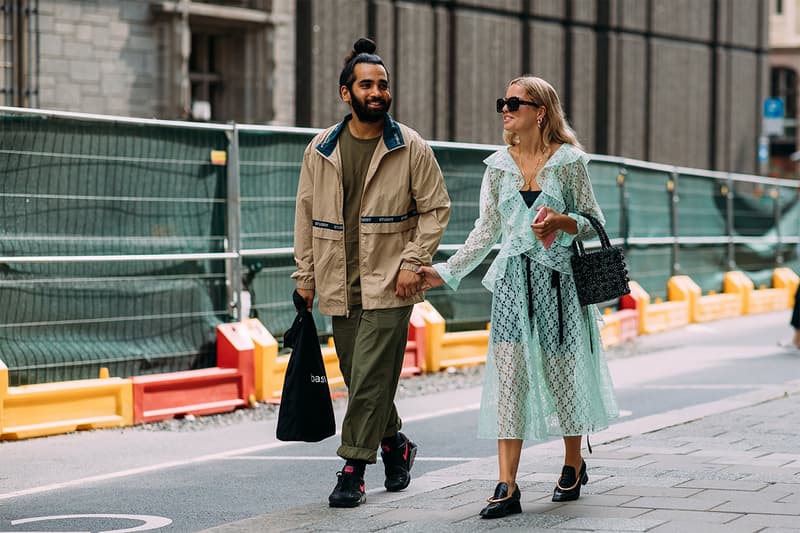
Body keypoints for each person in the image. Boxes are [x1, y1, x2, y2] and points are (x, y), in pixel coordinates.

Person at [418, 76, 618, 519]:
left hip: (559, 283)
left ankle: (573, 461)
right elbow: (485, 231)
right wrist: (445, 271)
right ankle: (507, 485)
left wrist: (562, 221)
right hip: (510, 284)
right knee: (509, 382)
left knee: (562, 374)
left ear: (540, 111)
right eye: (502, 103)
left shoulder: (568, 163)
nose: (505, 109)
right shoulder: (498, 167)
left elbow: (593, 221)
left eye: (514, 102)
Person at [292, 37, 451, 508]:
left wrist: (412, 262)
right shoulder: (320, 149)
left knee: (367, 380)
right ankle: (395, 445)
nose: (378, 91)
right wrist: (306, 277)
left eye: (383, 84)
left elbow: (436, 208)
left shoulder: (411, 146)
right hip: (340, 284)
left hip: (391, 282)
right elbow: (305, 216)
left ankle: (352, 470)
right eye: (367, 84)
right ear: (347, 93)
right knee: (363, 375)